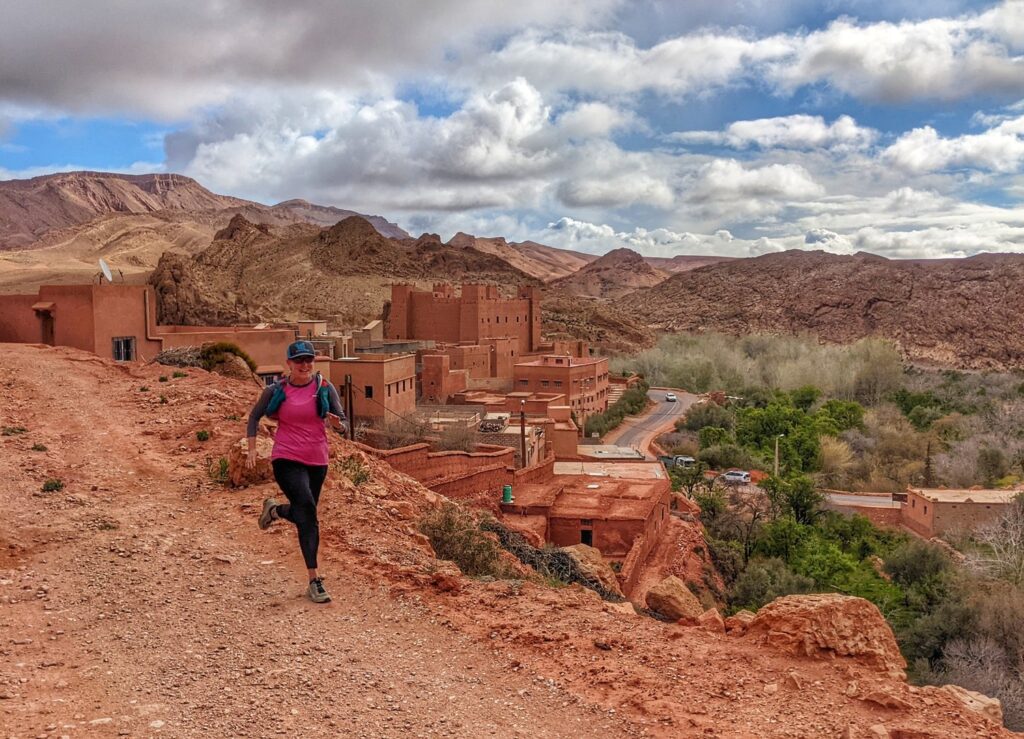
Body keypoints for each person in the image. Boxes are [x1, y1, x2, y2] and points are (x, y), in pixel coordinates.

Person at [245, 340, 348, 603]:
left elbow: (343, 424)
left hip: (317, 459)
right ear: (289, 363)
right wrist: (252, 450)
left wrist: (337, 425)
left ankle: (276, 510)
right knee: (308, 511)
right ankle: (314, 579)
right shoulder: (275, 390)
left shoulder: (324, 388)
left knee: (304, 512)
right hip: (286, 457)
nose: (304, 365)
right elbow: (254, 417)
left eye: (308, 360)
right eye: (299, 360)